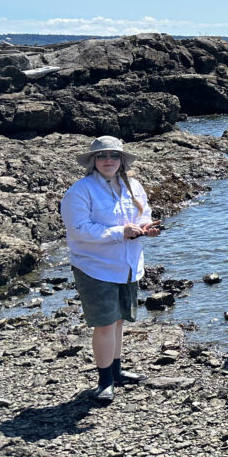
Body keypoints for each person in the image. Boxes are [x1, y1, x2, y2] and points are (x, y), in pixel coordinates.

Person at [59, 135, 160, 402]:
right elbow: (78, 230)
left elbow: (144, 213)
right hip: (95, 267)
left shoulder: (133, 185)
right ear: (93, 161)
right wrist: (120, 232)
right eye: (102, 156)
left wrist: (146, 228)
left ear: (121, 160)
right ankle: (104, 382)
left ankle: (116, 372)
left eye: (113, 156)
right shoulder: (80, 190)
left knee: (118, 321)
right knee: (104, 325)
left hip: (126, 264)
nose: (108, 161)